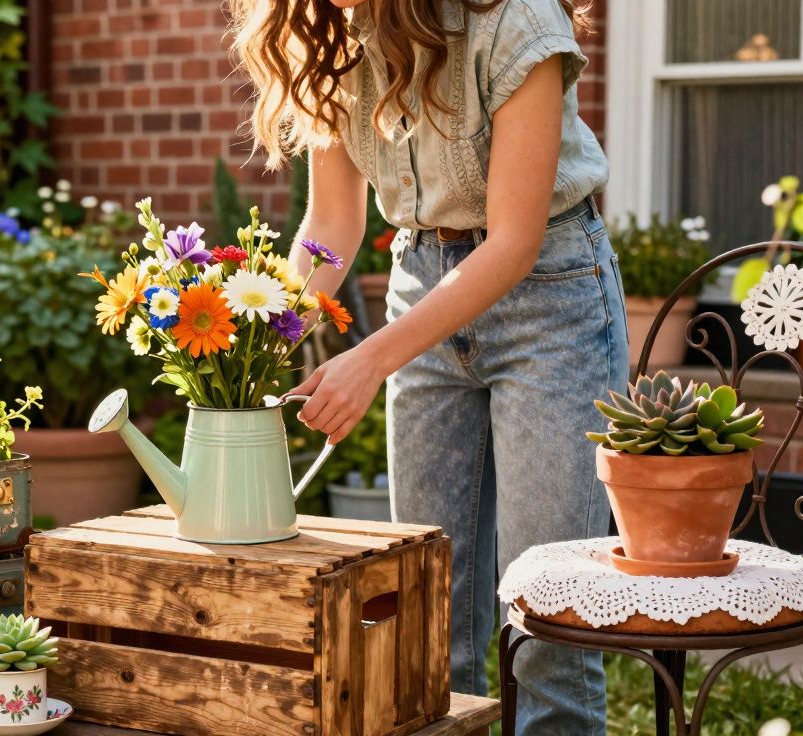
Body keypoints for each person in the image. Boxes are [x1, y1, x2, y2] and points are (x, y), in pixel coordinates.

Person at [232, 0, 626, 732]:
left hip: (551, 301)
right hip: (421, 286)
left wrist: (369, 362)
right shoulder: (335, 34)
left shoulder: (516, 20)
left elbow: (511, 243)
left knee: (549, 624)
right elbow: (332, 223)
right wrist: (255, 345)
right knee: (425, 618)